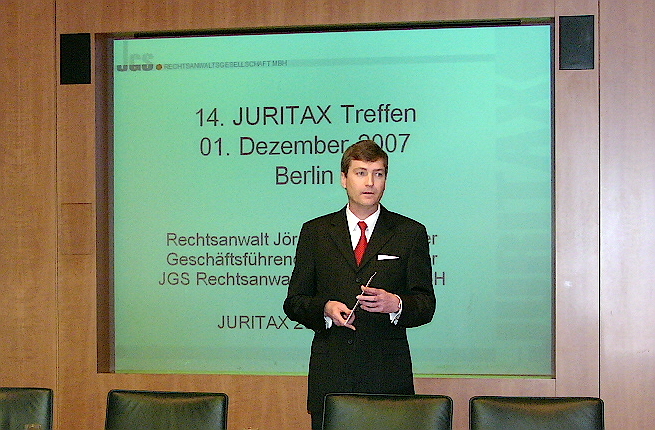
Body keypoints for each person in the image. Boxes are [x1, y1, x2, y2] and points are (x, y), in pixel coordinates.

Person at [283, 139, 436, 430]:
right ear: (344, 179)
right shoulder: (316, 232)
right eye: (361, 173)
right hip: (332, 377)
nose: (370, 182)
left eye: (378, 174)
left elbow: (426, 304)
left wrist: (396, 304)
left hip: (387, 378)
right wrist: (325, 309)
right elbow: (294, 302)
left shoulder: (410, 232)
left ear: (385, 180)